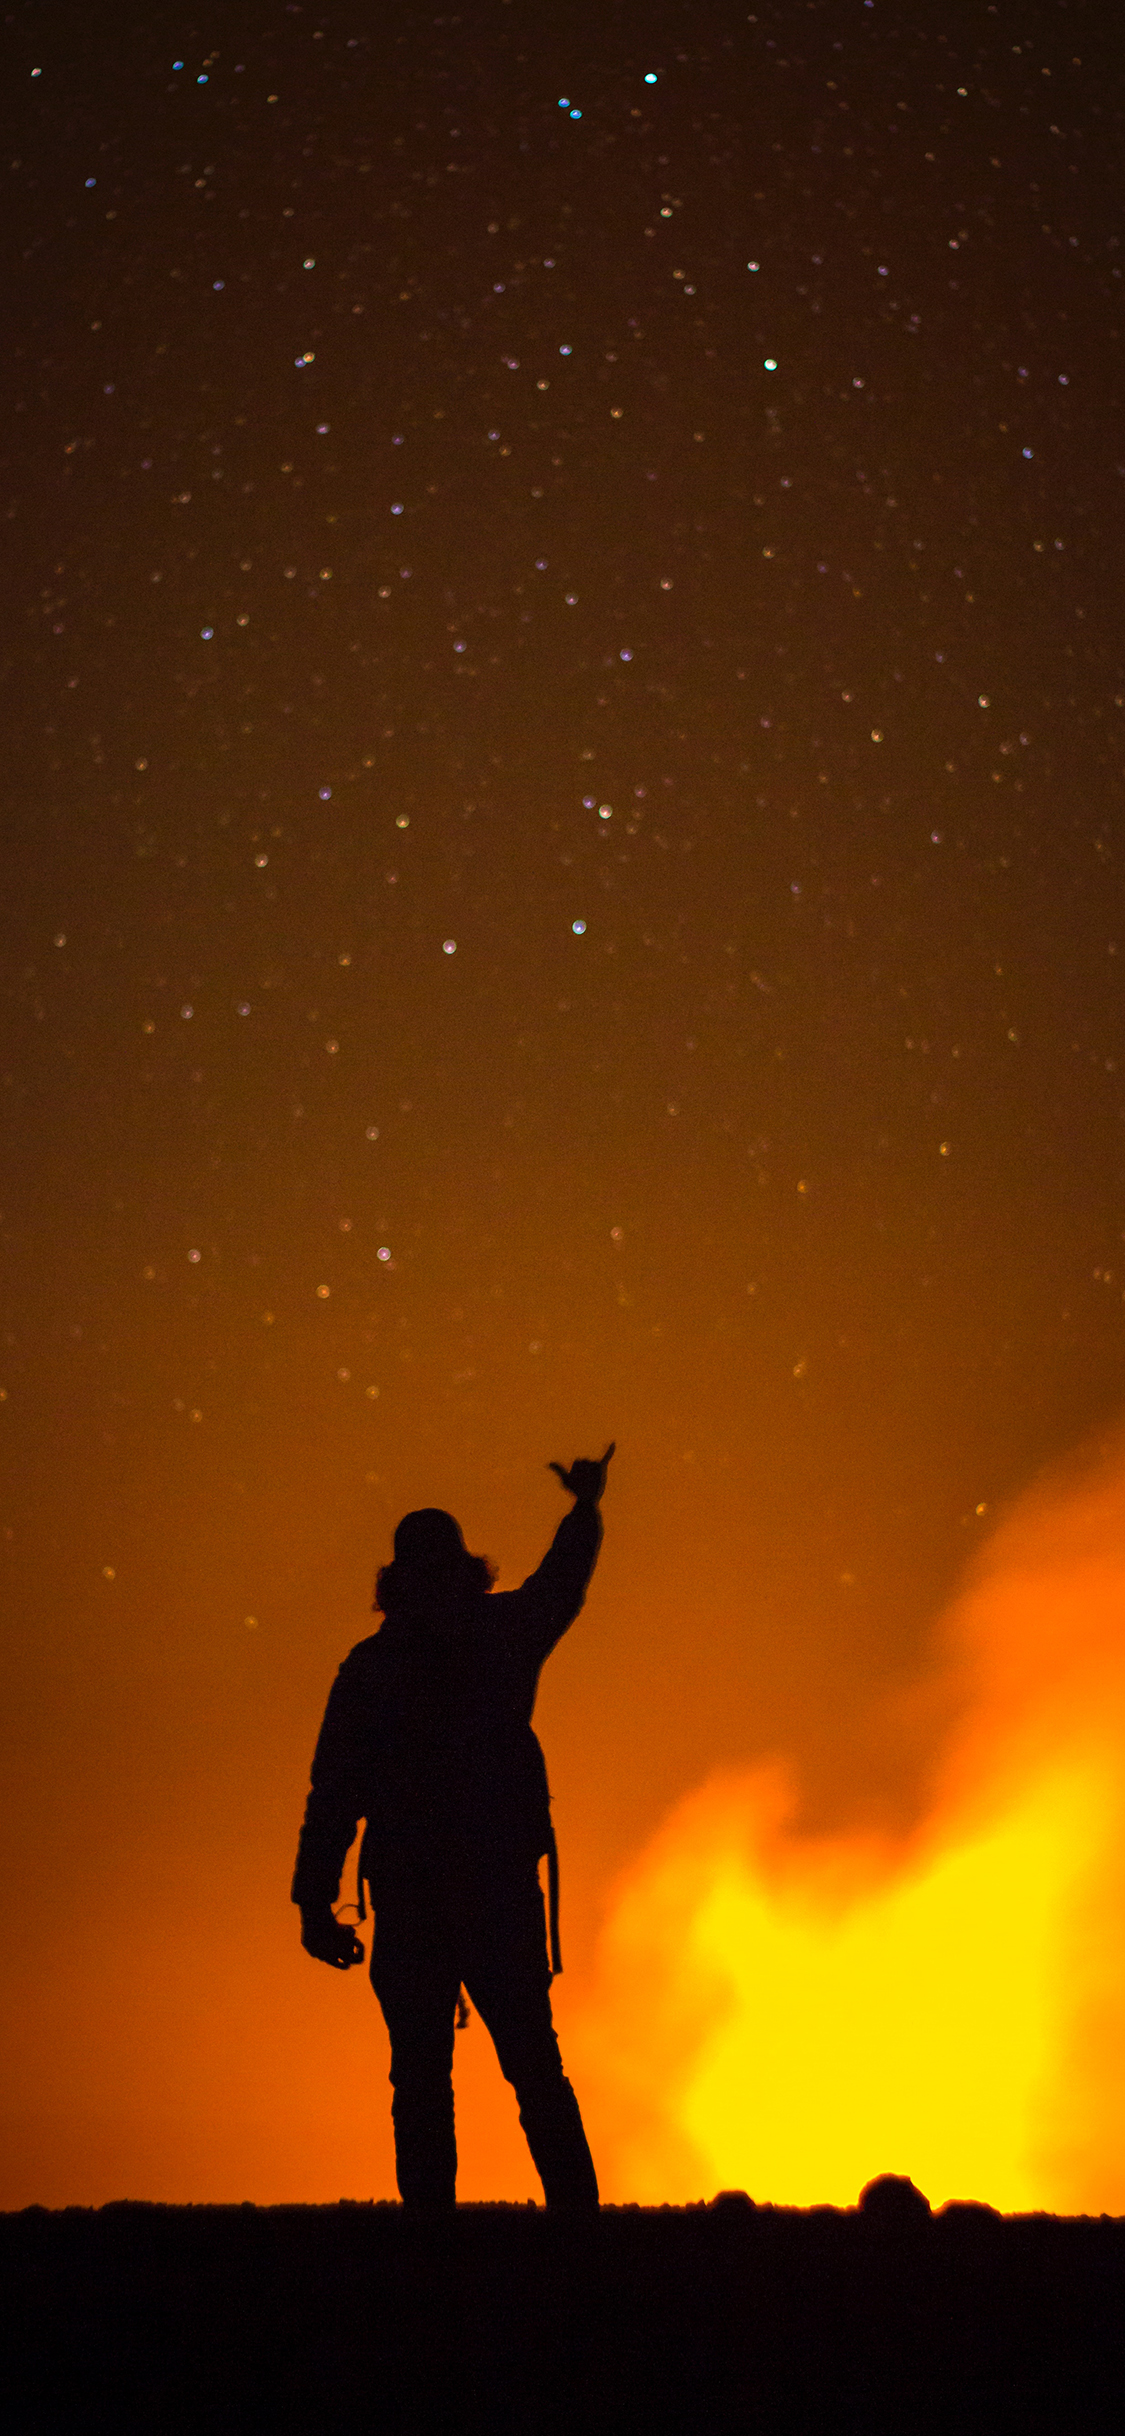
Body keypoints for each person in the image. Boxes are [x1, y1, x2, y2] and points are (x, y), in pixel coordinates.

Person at [292, 1443, 614, 2214]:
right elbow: (561, 1586)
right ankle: (578, 2232)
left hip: (415, 1895)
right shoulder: (502, 1636)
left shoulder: (369, 1670)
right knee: (529, 2064)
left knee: (425, 2076)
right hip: (491, 1891)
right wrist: (585, 1511)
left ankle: (433, 2243)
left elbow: (332, 1794)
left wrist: (314, 1901)